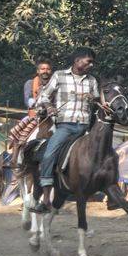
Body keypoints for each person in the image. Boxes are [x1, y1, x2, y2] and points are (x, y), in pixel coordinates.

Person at [32, 47, 102, 211]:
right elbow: (43, 97)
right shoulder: (59, 75)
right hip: (65, 127)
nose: (91, 65)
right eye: (88, 61)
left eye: (92, 62)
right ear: (77, 60)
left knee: (105, 154)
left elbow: (98, 101)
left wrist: (94, 99)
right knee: (49, 154)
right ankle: (46, 199)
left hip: (85, 128)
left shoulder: (92, 80)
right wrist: (49, 107)